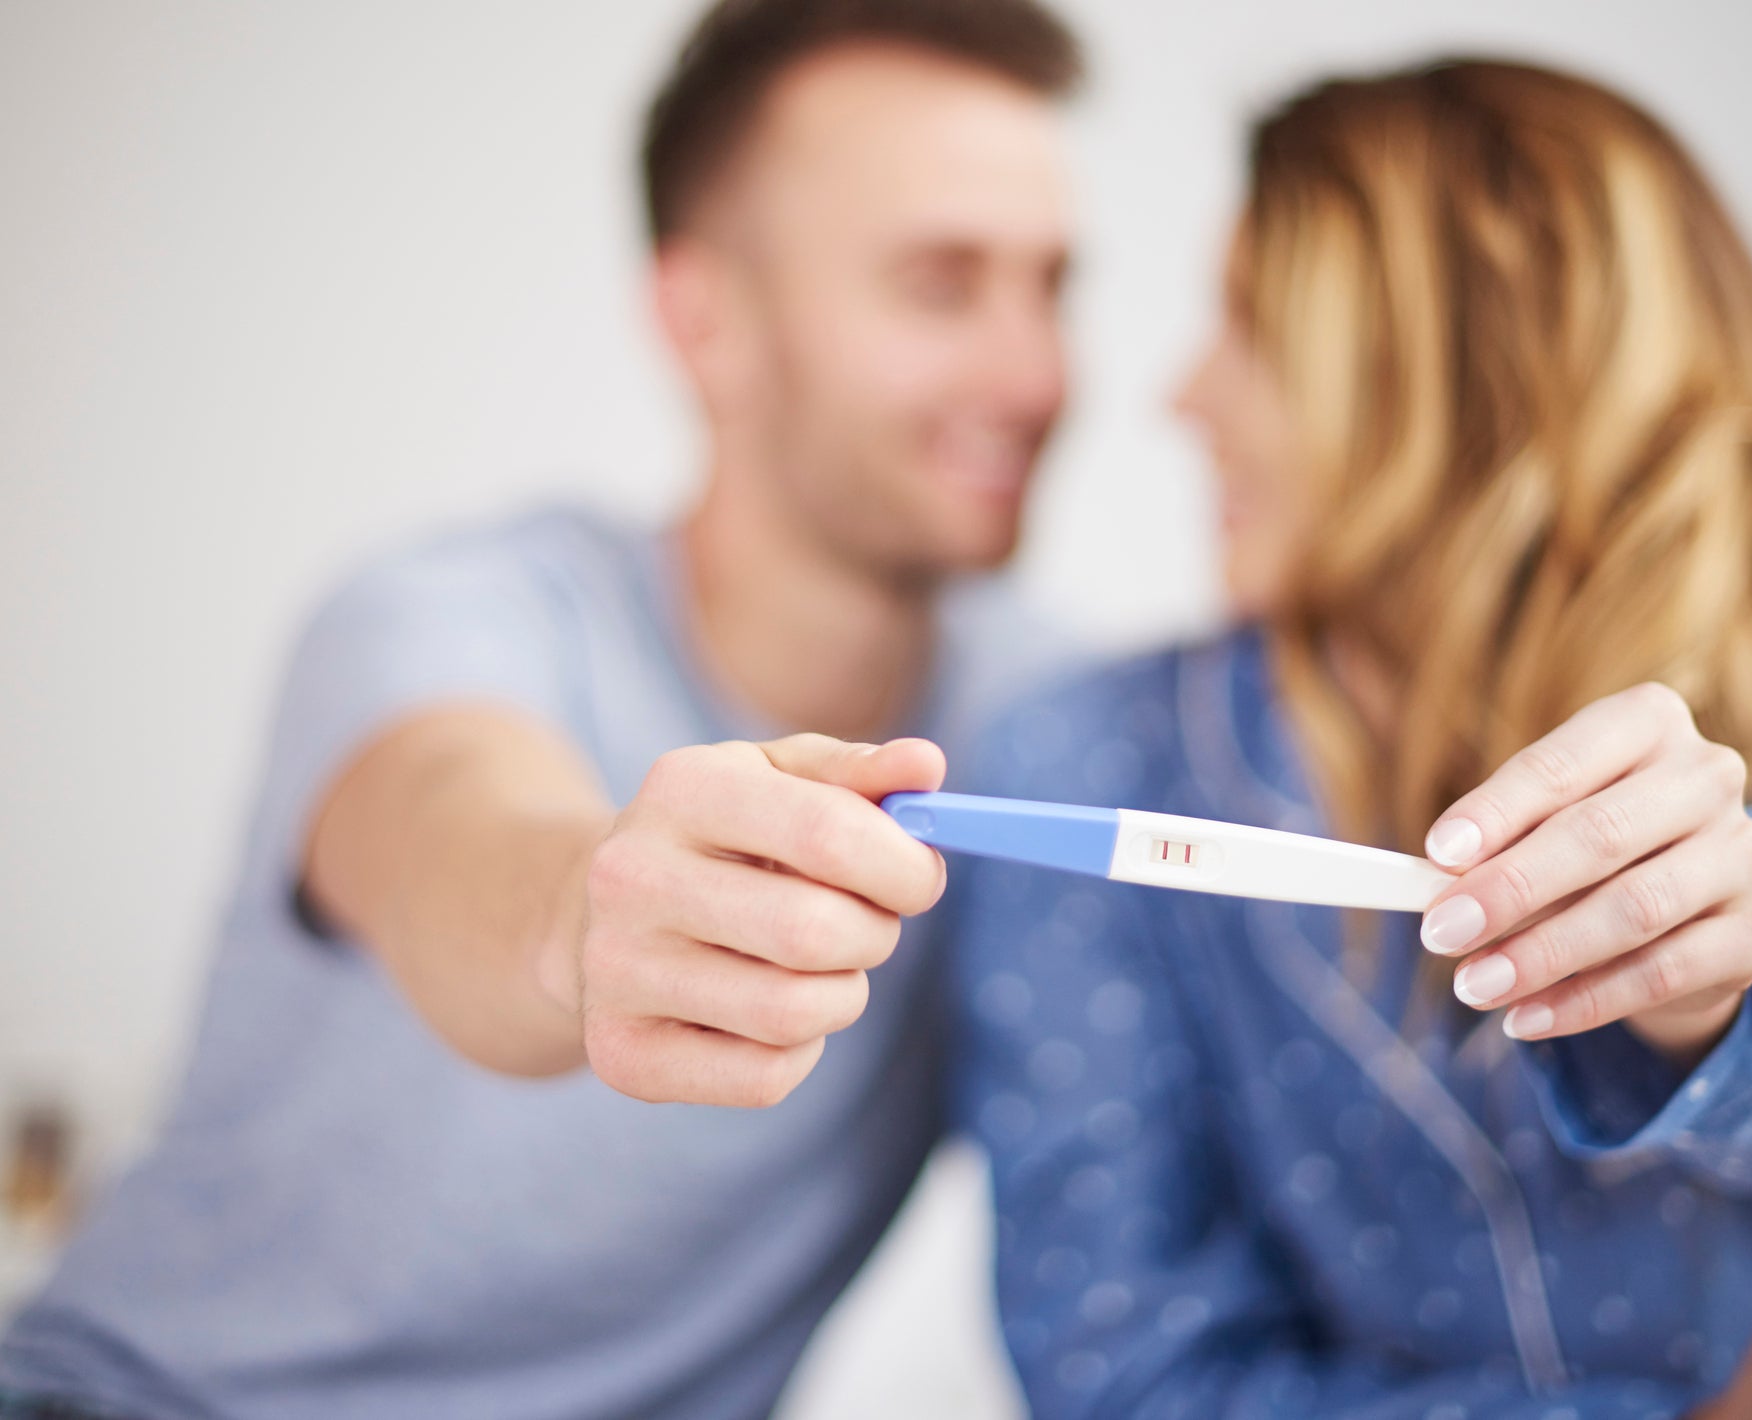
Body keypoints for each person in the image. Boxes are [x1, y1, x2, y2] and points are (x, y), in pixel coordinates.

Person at [952, 58, 1752, 1420]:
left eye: (1253, 328)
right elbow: (1126, 1379)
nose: (1180, 397)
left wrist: (1715, 985)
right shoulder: (1078, 762)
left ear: (1463, 381)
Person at [0, 0, 1082, 1415]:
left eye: (1053, 286)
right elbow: (456, 822)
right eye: (941, 287)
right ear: (709, 324)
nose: (1035, 373)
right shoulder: (450, 614)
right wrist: (586, 917)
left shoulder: (1055, 725)